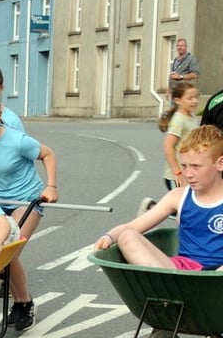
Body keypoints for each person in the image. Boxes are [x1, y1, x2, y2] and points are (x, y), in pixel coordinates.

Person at [0, 89, 58, 331]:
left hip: (26, 200)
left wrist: (51, 186)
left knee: (7, 251)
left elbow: (48, 154)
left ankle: (24, 303)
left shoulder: (17, 140)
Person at [95, 125, 223, 271]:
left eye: (196, 166)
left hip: (219, 272)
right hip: (183, 268)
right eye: (184, 166)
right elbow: (133, 226)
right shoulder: (178, 196)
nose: (188, 174)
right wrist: (109, 237)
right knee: (127, 237)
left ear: (220, 163)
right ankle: (173, 283)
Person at [159, 82, 199, 190]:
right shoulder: (179, 120)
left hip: (189, 173)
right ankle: (151, 207)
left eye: (196, 97)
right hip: (177, 176)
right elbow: (168, 146)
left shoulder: (192, 116)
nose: (195, 101)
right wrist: (177, 172)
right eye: (190, 98)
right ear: (178, 101)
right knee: (179, 204)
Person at [166, 38, 199, 102]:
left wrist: (180, 77)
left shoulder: (191, 59)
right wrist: (168, 90)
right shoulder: (175, 60)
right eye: (178, 46)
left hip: (184, 93)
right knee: (174, 111)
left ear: (186, 47)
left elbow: (195, 75)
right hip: (174, 94)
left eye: (182, 46)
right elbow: (172, 77)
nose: (179, 47)